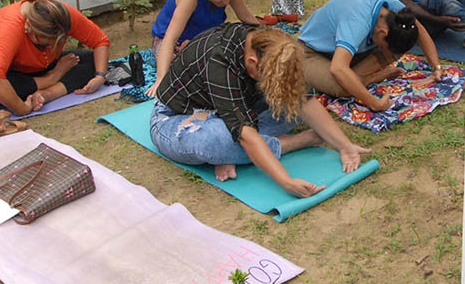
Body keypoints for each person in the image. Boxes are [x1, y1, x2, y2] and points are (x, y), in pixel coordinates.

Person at [150, 23, 371, 197]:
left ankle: (236, 153)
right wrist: (287, 182)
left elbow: (301, 98)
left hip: (238, 106)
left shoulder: (268, 42)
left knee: (288, 101)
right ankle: (289, 143)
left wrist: (345, 146)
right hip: (179, 117)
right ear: (252, 62)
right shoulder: (218, 58)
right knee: (213, 141)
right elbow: (245, 134)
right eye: (267, 78)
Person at [0, 0, 110, 116]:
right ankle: (51, 80)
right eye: (45, 44)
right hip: (12, 75)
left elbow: (100, 41)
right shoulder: (8, 27)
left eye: (58, 43)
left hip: (44, 66)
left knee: (93, 60)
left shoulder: (61, 15)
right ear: (27, 26)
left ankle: (47, 94)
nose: (52, 47)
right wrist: (21, 109)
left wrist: (100, 76)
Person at [297, 0, 443, 111]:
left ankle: (358, 76)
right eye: (385, 48)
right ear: (382, 32)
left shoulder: (397, 13)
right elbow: (338, 68)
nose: (390, 55)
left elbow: (419, 31)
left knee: (402, 42)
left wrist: (436, 68)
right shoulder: (357, 23)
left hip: (345, 51)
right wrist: (374, 103)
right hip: (311, 53)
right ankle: (372, 77)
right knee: (344, 86)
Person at [146, 0, 258, 98]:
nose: (227, 2)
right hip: (172, 44)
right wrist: (160, 79)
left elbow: (246, 17)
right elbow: (170, 38)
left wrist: (269, 35)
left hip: (204, 39)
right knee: (190, 76)